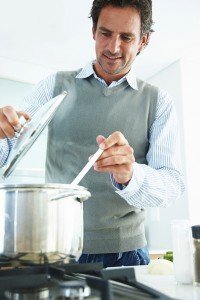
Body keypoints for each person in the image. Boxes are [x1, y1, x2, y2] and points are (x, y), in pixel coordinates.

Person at [0, 0, 185, 268]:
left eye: (126, 37)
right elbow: (8, 149)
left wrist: (130, 174)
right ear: (93, 31)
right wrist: (2, 131)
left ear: (143, 41)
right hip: (58, 249)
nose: (113, 48)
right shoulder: (54, 85)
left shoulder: (159, 102)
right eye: (106, 33)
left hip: (128, 254)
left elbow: (172, 184)